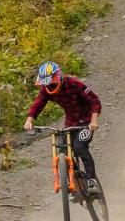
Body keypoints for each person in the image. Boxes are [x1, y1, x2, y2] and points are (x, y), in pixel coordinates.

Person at [24, 61, 102, 192]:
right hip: (71, 122)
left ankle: (91, 180)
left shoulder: (74, 84)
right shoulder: (46, 90)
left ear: (58, 78)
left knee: (79, 146)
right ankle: (75, 184)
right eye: (46, 84)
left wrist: (93, 122)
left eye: (51, 83)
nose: (49, 86)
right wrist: (29, 121)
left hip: (87, 121)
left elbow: (94, 101)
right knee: (63, 150)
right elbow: (37, 104)